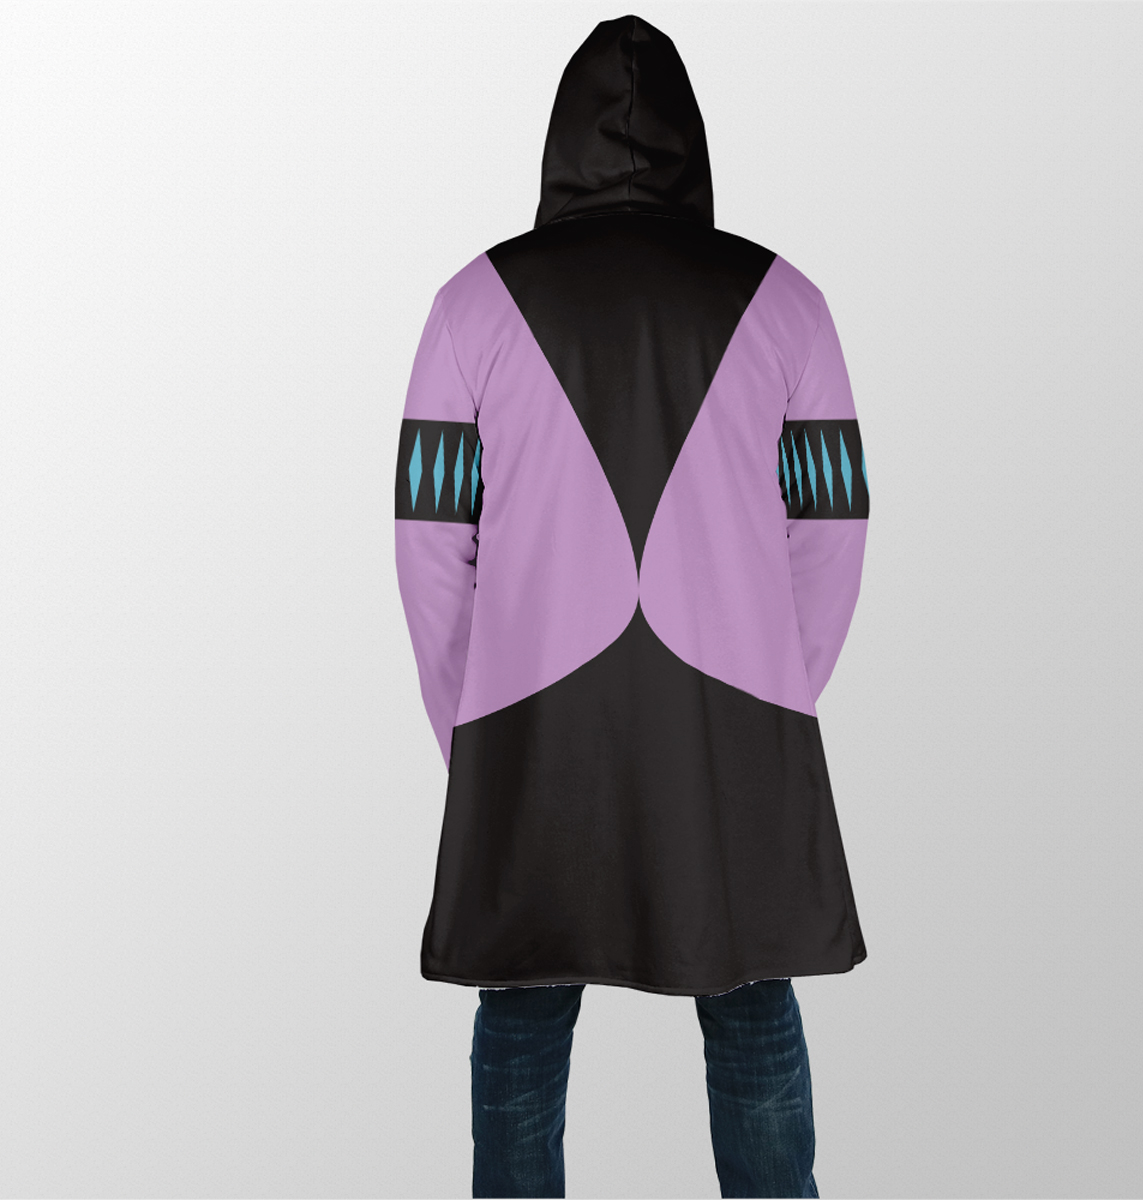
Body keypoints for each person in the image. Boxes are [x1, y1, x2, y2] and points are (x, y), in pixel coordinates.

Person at [394, 14, 869, 1198]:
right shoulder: (787, 301)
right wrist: (774, 688)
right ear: (692, 142)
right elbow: (835, 523)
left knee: (523, 1003)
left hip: (528, 719)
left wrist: (471, 725)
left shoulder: (469, 306)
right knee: (751, 992)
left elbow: (427, 541)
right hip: (732, 716)